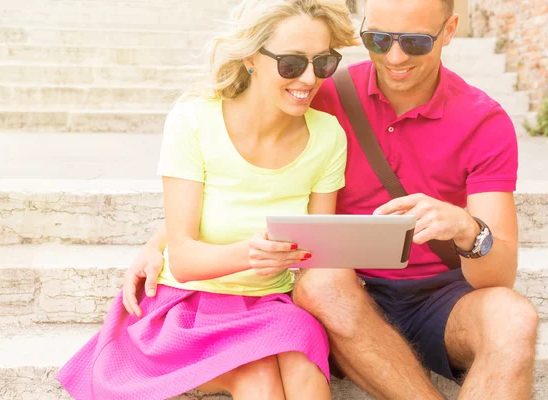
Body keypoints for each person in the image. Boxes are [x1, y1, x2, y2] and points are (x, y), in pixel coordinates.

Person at [124, 0, 540, 399]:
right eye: (378, 39)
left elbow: (498, 276)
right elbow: (234, 177)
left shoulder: (483, 121)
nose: (394, 57)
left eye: (414, 42)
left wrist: (467, 228)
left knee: (514, 319)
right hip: (345, 293)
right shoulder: (318, 93)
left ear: (449, 30)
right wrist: (158, 242)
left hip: (442, 299)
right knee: (323, 283)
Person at [56, 1, 358, 399]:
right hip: (191, 302)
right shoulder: (194, 121)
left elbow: (318, 252)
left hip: (271, 302)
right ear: (251, 58)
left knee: (304, 369)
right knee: (259, 379)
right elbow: (183, 260)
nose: (308, 78)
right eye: (291, 64)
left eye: (323, 63)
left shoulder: (328, 135)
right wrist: (248, 254)